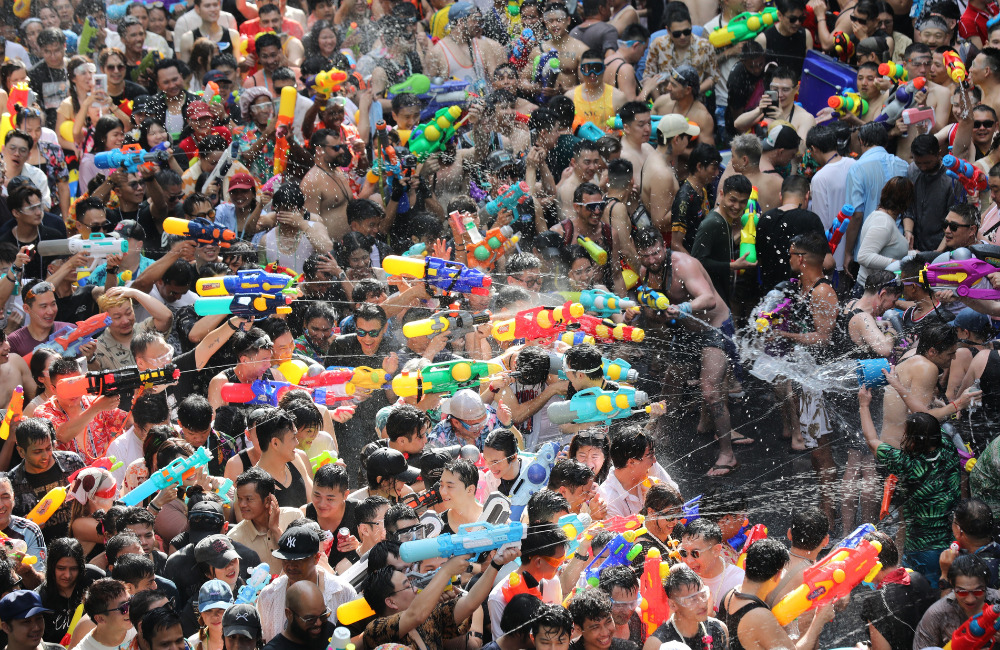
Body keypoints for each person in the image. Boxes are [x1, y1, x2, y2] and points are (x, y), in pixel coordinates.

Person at [859, 387, 960, 586]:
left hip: (921, 550)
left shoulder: (907, 464)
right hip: (951, 544)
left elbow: (872, 441)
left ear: (913, 440)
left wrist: (864, 405)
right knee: (946, 590)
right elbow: (926, 418)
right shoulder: (947, 446)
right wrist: (897, 384)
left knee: (917, 595)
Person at [719, 539, 834, 650]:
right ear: (778, 575)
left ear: (745, 565)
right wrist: (819, 620)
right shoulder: (760, 616)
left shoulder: (729, 595)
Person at [257, 526, 357, 641]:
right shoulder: (269, 595)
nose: (290, 565)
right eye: (285, 559)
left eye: (298, 560)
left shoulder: (342, 592)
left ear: (316, 557)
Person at [913, 555, 1000, 648]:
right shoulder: (937, 615)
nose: (970, 599)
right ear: (952, 585)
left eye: (977, 591)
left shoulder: (997, 602)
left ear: (986, 584)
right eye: (962, 592)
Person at [227, 468, 302, 569]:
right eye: (239, 498)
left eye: (248, 499)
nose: (242, 504)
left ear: (267, 501)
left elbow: (302, 561)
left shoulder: (295, 517)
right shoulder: (235, 538)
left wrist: (275, 529)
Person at [645, 566, 729, 650]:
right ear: (673, 605)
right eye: (692, 599)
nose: (702, 604)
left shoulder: (719, 629)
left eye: (703, 595)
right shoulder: (657, 644)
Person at [677, 519, 745, 612]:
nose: (688, 560)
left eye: (695, 553)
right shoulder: (679, 574)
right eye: (683, 552)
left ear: (716, 550)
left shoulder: (738, 581)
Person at [77, 578, 135, 650]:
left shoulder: (142, 625)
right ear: (100, 618)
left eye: (131, 601)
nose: (131, 609)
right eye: (123, 607)